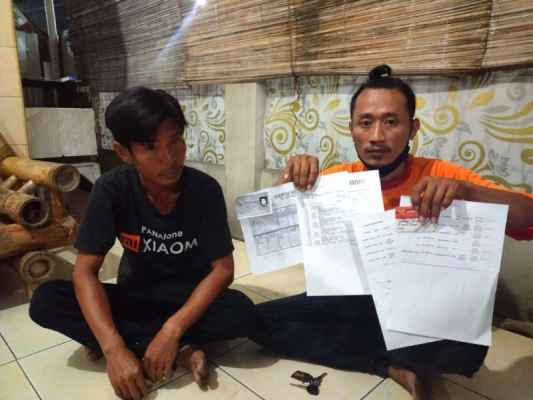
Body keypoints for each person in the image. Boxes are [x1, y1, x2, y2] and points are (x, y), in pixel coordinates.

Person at [251, 65, 533, 399]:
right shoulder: (336, 180)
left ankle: (377, 349)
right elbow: (267, 230)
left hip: (418, 306)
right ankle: (388, 366)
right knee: (254, 321)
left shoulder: (440, 174)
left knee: (461, 344)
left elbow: (527, 217)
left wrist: (467, 192)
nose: (376, 136)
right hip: (353, 298)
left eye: (390, 121)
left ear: (412, 128)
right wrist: (285, 182)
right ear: (351, 129)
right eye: (365, 122)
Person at [29, 87, 261, 400]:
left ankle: (149, 341)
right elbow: (84, 272)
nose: (170, 158)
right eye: (151, 147)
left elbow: (223, 270)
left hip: (187, 300)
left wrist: (172, 329)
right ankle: (181, 350)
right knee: (46, 301)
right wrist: (113, 349)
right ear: (123, 152)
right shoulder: (111, 189)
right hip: (135, 296)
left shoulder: (204, 190)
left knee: (242, 312)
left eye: (175, 141)